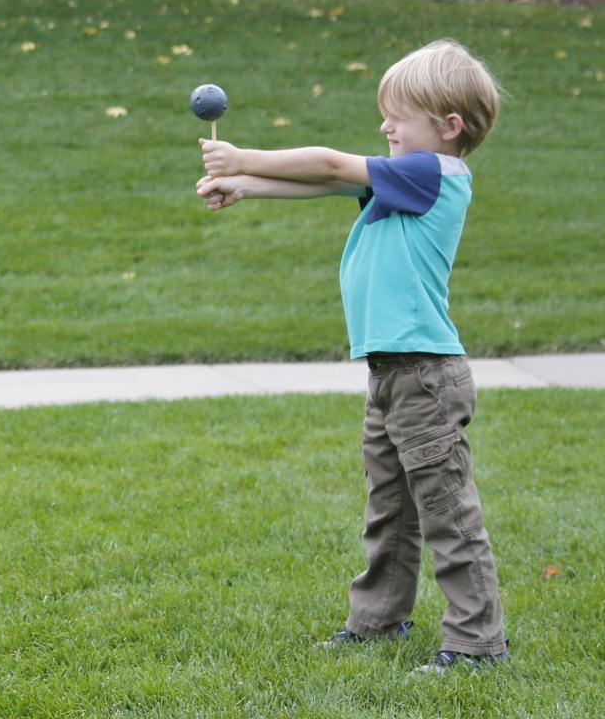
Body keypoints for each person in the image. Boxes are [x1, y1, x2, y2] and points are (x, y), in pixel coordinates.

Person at [194, 38, 509, 675]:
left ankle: (478, 642)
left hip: (425, 376)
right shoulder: (405, 181)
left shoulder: (433, 173)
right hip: (393, 374)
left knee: (447, 513)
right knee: (390, 508)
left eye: (399, 114)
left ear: (448, 127)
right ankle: (377, 623)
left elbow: (334, 167)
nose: (385, 124)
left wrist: (243, 154)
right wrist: (244, 185)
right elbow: (324, 188)